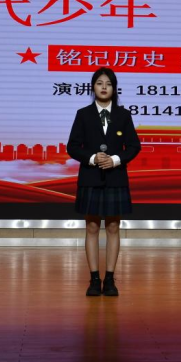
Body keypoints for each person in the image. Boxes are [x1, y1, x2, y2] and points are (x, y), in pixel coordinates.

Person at [67, 67, 141, 297]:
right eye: (99, 83)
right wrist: (92, 158)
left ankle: (109, 279)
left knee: (113, 227)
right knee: (91, 227)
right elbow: (72, 147)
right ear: (93, 87)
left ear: (114, 88)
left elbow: (134, 146)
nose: (104, 87)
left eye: (108, 83)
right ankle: (94, 279)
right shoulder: (83, 114)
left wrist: (116, 160)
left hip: (115, 178)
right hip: (90, 177)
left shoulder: (123, 115)